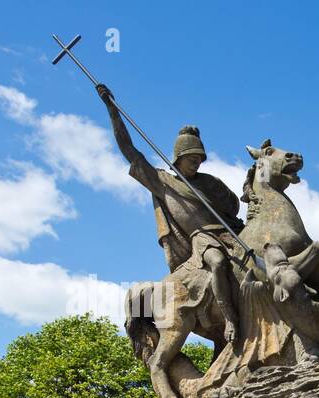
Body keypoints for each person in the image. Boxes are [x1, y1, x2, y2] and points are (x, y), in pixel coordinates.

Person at [96, 83, 246, 344]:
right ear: (178, 157)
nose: (197, 162)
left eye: (200, 158)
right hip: (203, 239)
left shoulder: (210, 182)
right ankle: (230, 319)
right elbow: (130, 152)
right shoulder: (162, 181)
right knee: (218, 263)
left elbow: (233, 206)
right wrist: (112, 110)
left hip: (231, 232)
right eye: (192, 158)